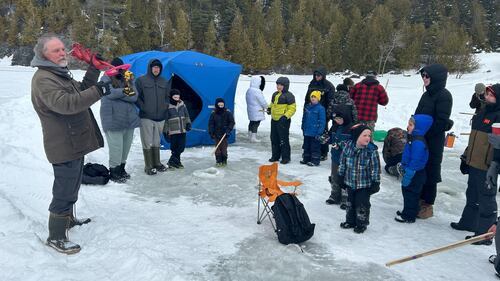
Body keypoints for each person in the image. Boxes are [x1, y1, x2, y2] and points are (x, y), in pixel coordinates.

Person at [31, 34, 110, 254]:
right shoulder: (44, 79)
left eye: (62, 49)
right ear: (43, 55)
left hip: (75, 141)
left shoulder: (60, 75)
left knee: (74, 183)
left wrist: (94, 69)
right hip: (63, 144)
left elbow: (83, 89)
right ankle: (56, 236)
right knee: (64, 190)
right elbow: (67, 104)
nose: (62, 52)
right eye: (55, 50)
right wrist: (101, 90)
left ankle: (68, 219)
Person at [451, 84, 500, 244]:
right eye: (487, 94)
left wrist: (495, 165)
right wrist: (466, 156)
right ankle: (469, 222)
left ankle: (485, 235)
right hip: (474, 162)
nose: (487, 97)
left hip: (487, 166)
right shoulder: (482, 112)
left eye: (491, 95)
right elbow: (474, 138)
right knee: (472, 194)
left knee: (486, 199)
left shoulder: (498, 116)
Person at [414, 64, 453, 219]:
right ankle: (417, 199)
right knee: (419, 168)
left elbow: (441, 121)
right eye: (423, 76)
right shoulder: (426, 94)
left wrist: (424, 132)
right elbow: (418, 114)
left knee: (431, 171)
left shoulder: (444, 95)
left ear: (436, 77)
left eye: (427, 76)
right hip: (420, 139)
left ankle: (427, 205)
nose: (424, 79)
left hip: (433, 141)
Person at [99, 57, 140, 183]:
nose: (118, 70)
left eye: (120, 68)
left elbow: (135, 96)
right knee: (116, 147)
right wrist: (126, 91)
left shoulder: (127, 78)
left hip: (128, 120)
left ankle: (121, 168)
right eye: (115, 68)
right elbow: (111, 93)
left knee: (125, 147)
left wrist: (122, 92)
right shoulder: (105, 78)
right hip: (113, 119)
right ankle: (114, 171)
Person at [338, 124, 381, 233]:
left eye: (369, 135)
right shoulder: (348, 147)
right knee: (350, 203)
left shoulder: (371, 151)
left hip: (364, 185)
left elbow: (375, 168)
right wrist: (340, 176)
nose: (368, 138)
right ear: (356, 137)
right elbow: (342, 163)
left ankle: (361, 224)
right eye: (364, 135)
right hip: (349, 182)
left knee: (362, 205)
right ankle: (350, 221)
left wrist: (376, 182)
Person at [394, 114, 433, 223]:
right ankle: (408, 211)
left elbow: (416, 160)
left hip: (415, 172)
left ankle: (409, 216)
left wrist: (409, 173)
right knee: (407, 192)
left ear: (419, 127)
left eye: (411, 125)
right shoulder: (413, 138)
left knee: (411, 194)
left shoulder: (418, 142)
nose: (408, 127)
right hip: (410, 170)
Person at [135, 59, 170, 175]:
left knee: (156, 141)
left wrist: (165, 107)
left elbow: (167, 97)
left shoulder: (164, 81)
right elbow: (136, 97)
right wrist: (143, 107)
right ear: (150, 68)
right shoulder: (141, 80)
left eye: (158, 68)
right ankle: (148, 165)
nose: (156, 69)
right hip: (146, 117)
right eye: (154, 67)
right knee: (147, 141)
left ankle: (157, 163)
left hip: (160, 117)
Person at [304, 67, 335, 161]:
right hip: (311, 111)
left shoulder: (328, 85)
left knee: (322, 133)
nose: (317, 77)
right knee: (310, 133)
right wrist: (305, 110)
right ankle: (309, 152)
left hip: (322, 112)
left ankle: (323, 152)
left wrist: (328, 115)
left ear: (323, 76)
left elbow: (331, 102)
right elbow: (307, 98)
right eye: (315, 75)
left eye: (319, 75)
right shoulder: (312, 83)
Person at [325, 105, 353, 207]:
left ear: (345, 117)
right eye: (335, 119)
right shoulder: (335, 126)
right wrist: (326, 139)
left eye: (339, 118)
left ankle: (346, 199)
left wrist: (340, 145)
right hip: (335, 157)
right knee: (334, 177)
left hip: (346, 159)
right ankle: (335, 195)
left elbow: (352, 143)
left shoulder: (351, 128)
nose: (337, 120)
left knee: (345, 178)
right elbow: (331, 138)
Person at [268, 77, 296, 164]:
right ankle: (275, 155)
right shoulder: (275, 94)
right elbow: (272, 104)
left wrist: (285, 116)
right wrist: (269, 108)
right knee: (274, 138)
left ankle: (286, 157)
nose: (278, 86)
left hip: (283, 120)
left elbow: (292, 108)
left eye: (280, 85)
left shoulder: (289, 95)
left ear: (285, 86)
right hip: (274, 119)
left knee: (283, 139)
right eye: (277, 84)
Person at [163, 89, 192, 168]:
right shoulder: (168, 106)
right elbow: (165, 120)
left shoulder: (182, 104)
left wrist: (188, 123)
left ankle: (172, 162)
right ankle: (176, 162)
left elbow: (186, 115)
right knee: (174, 147)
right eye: (175, 97)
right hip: (173, 131)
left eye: (178, 97)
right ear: (171, 97)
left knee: (181, 147)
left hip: (182, 129)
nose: (177, 99)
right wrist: (165, 131)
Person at [300, 91, 326, 166]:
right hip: (307, 130)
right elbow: (304, 118)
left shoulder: (320, 108)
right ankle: (306, 159)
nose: (313, 98)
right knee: (306, 146)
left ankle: (315, 160)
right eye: (312, 97)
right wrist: (303, 126)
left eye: (315, 97)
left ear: (318, 99)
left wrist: (320, 131)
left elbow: (322, 121)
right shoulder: (307, 107)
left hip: (315, 132)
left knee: (315, 147)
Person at [208, 97, 235, 167]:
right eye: (219, 105)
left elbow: (232, 122)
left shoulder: (227, 113)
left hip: (225, 134)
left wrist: (228, 130)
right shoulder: (213, 114)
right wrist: (211, 132)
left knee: (224, 148)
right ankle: (218, 160)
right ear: (216, 105)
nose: (220, 106)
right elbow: (211, 124)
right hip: (216, 134)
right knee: (217, 148)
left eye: (222, 105)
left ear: (224, 105)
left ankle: (224, 160)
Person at [245, 76, 267, 142]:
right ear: (258, 83)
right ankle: (253, 137)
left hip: (251, 109)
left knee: (251, 122)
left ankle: (249, 135)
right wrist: (267, 107)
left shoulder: (249, 90)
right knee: (256, 123)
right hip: (257, 110)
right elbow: (262, 101)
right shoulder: (257, 91)